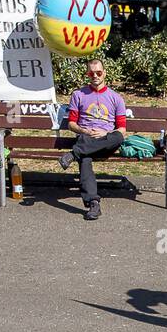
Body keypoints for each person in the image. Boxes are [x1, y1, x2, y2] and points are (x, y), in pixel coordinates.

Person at [58, 57, 129, 221]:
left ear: (104, 73)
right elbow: (71, 124)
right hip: (86, 138)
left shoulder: (116, 98)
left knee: (117, 136)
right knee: (86, 158)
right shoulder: (78, 95)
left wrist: (104, 134)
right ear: (87, 74)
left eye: (98, 72)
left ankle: (73, 154)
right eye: (91, 73)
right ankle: (93, 204)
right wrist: (85, 131)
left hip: (106, 140)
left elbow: (122, 129)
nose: (95, 76)